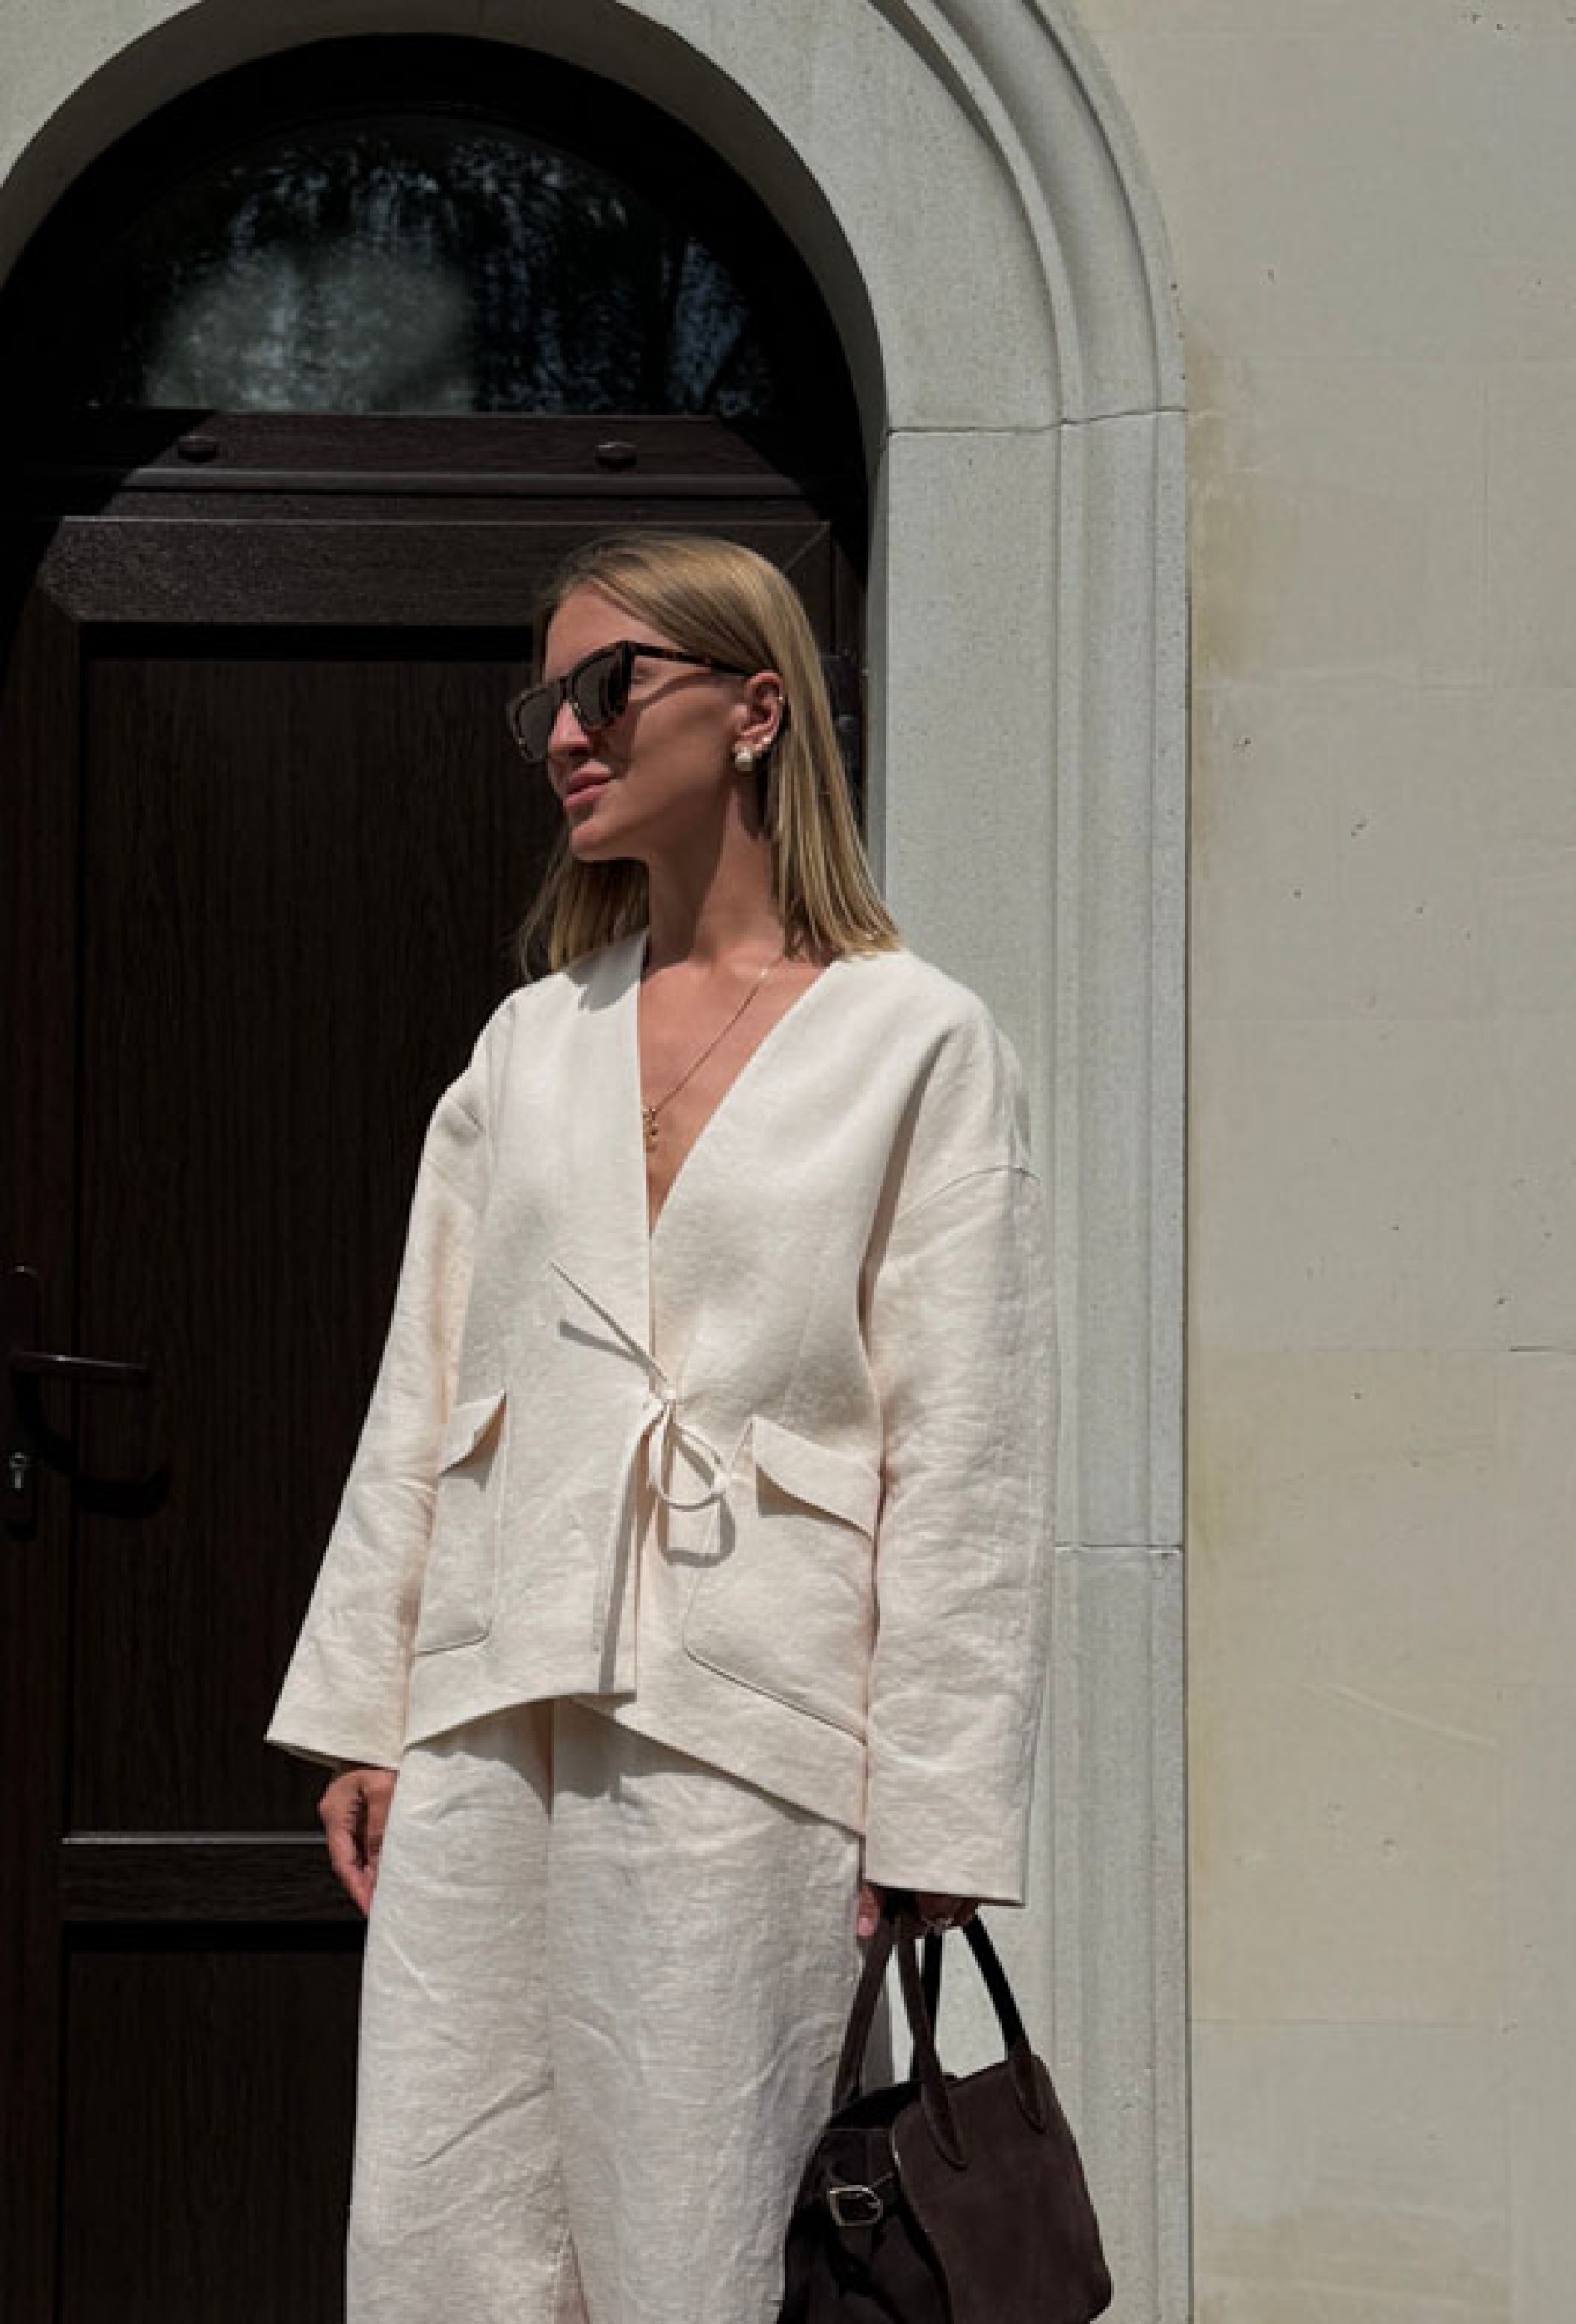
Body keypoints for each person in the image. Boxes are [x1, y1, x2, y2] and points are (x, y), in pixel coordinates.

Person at [267, 529, 1058, 2323]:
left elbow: (968, 1445)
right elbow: (425, 1386)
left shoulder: (918, 1042)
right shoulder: (526, 1044)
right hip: (491, 1692)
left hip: (747, 1709)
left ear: (756, 708)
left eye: (607, 685)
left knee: (694, 2231)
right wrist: (370, 1712)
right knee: (443, 2215)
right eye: (547, 700)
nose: (565, 731)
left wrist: (933, 1807)